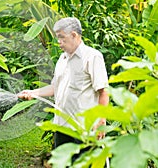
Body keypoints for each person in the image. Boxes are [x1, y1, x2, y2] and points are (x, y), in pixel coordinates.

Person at [17, 17, 109, 156]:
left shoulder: (92, 57)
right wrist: (33, 92)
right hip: (62, 127)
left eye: (61, 37)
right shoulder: (62, 59)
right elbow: (55, 87)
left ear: (74, 35)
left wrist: (101, 122)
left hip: (84, 128)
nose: (58, 42)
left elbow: (103, 91)